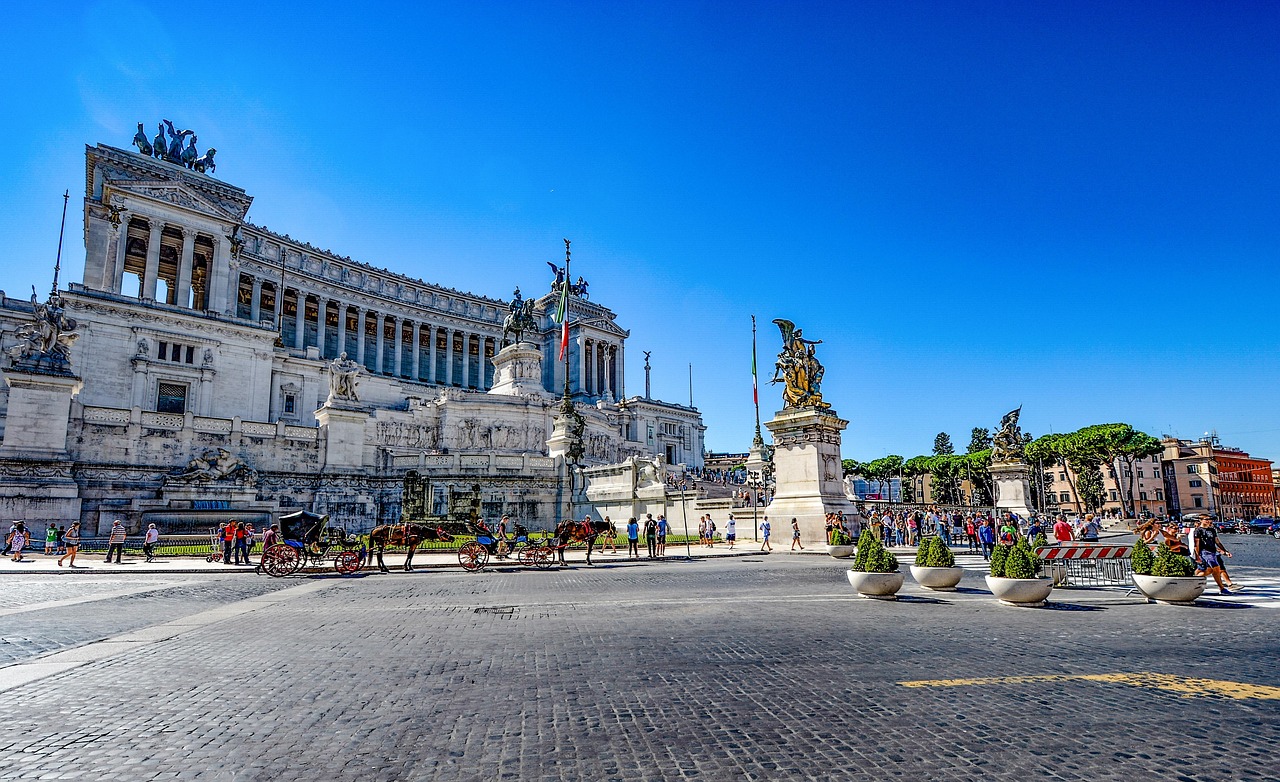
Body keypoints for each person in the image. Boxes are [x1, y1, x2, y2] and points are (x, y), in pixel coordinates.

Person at [1192, 517, 1235, 595]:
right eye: (1206, 519)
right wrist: (1197, 556)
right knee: (1216, 568)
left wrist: (1225, 551)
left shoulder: (1212, 530)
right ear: (1201, 520)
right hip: (1205, 552)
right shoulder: (1198, 530)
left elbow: (1217, 542)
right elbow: (1196, 544)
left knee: (1210, 570)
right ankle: (1222, 588)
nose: (1208, 521)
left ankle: (1192, 580)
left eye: (1209, 519)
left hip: (1213, 552)